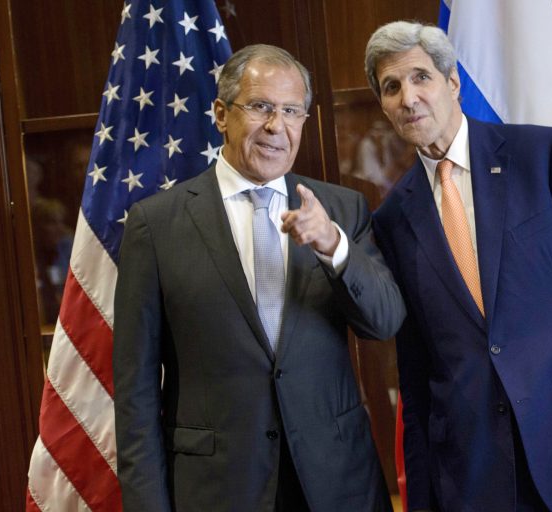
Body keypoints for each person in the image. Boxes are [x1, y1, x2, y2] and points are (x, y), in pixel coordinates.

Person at [365, 21, 552, 512]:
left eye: (420, 78)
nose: (408, 97)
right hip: (473, 475)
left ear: (452, 82)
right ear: (384, 106)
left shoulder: (542, 154)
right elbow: (414, 370)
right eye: (392, 87)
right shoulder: (391, 219)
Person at [113, 44, 405, 512]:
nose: (276, 126)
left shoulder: (341, 209)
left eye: (291, 111)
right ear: (221, 114)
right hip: (218, 488)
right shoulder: (156, 224)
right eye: (261, 107)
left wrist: (333, 246)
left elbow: (384, 321)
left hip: (336, 480)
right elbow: (136, 390)